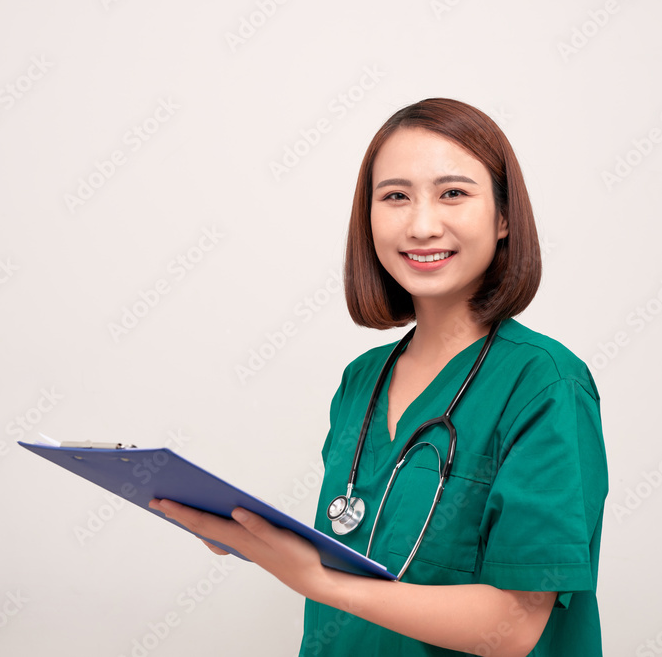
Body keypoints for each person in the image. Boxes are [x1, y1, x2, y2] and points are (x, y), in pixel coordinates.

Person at [150, 98, 609, 656]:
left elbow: (514, 625)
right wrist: (259, 541)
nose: (422, 225)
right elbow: (358, 558)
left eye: (453, 193)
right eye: (395, 196)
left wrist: (315, 580)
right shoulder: (361, 382)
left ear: (504, 217)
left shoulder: (547, 384)